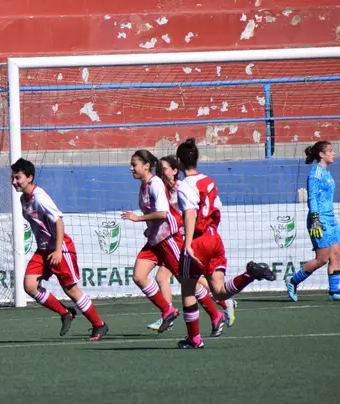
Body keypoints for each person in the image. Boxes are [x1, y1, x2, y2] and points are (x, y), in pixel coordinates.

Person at [174, 139, 276, 349]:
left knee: (187, 290)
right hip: (214, 237)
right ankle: (249, 275)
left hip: (199, 239)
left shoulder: (185, 185)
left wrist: (189, 243)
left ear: (179, 162)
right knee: (219, 291)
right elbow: (217, 208)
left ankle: (194, 339)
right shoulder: (209, 181)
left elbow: (190, 213)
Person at [125, 154, 234, 333]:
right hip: (155, 239)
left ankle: (217, 313)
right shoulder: (146, 185)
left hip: (169, 238)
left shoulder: (157, 184)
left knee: (187, 282)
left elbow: (162, 213)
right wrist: (148, 226)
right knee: (139, 276)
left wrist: (138, 219)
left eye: (134, 164)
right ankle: (168, 310)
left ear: (146, 166)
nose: (131, 168)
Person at [12, 158, 108, 341]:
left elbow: (58, 221)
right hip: (43, 249)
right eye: (13, 177)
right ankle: (65, 313)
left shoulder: (39, 197)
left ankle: (99, 325)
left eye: (18, 178)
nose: (14, 181)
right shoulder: (23, 198)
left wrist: (57, 250)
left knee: (71, 289)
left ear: (29, 177)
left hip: (60, 247)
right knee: (29, 286)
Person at [284, 141, 339, 301]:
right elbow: (312, 196)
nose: (333, 153)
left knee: (336, 254)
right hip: (319, 219)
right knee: (322, 258)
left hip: (331, 218)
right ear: (321, 155)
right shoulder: (316, 173)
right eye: (330, 151)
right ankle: (293, 281)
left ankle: (334, 292)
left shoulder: (327, 173)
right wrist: (315, 217)